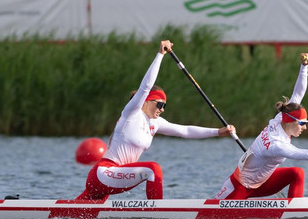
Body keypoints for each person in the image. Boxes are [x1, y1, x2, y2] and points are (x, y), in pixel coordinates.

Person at [76, 40, 236, 201]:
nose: (162, 109)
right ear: (146, 101)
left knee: (74, 212)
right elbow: (145, 87)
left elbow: (185, 131)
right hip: (104, 174)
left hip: (116, 177)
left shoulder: (155, 123)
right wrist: (160, 55)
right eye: (159, 104)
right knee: (153, 169)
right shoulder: (132, 113)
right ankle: (157, 211)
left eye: (165, 105)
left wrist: (218, 132)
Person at [214, 53, 308, 200]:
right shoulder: (277, 145)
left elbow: (298, 93)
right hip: (240, 187)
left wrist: (304, 67)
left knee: (297, 173)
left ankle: (294, 213)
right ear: (291, 121)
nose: (305, 128)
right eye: (302, 123)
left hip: (263, 182)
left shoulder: (280, 118)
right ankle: (292, 210)